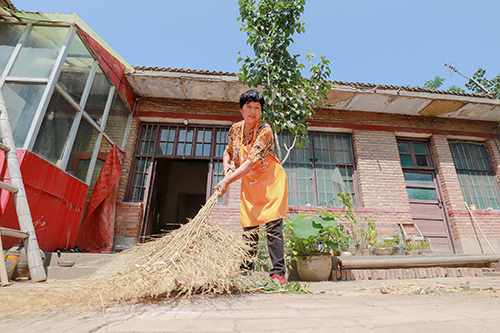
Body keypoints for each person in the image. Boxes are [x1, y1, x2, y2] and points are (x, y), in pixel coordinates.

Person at [214, 89, 288, 284]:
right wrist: (226, 165)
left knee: (273, 229)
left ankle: (278, 273)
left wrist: (226, 182)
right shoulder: (235, 130)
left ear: (261, 111)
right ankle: (245, 272)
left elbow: (250, 162)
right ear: (241, 109)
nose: (253, 112)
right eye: (249, 107)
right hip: (251, 184)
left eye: (257, 108)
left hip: (271, 183)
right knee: (249, 229)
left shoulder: (265, 130)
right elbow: (228, 151)